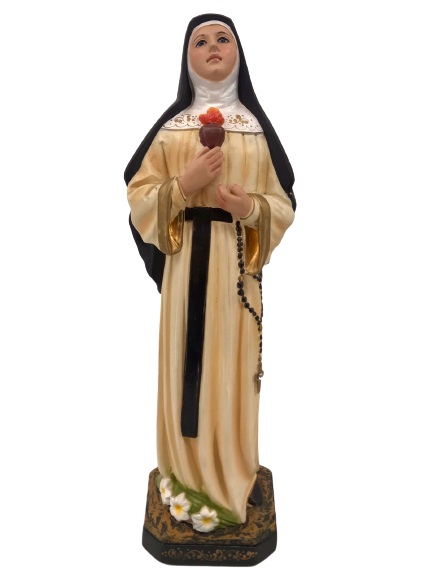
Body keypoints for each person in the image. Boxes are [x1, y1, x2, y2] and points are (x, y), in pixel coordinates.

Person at [125, 13, 296, 532]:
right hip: (184, 274)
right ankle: (182, 478)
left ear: (240, 54)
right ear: (187, 58)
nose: (213, 47)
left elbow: (281, 203)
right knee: (185, 367)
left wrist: (250, 208)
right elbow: (138, 196)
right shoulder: (172, 130)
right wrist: (185, 183)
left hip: (236, 270)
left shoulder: (255, 131)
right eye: (201, 41)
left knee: (233, 371)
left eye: (224, 38)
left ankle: (232, 477)